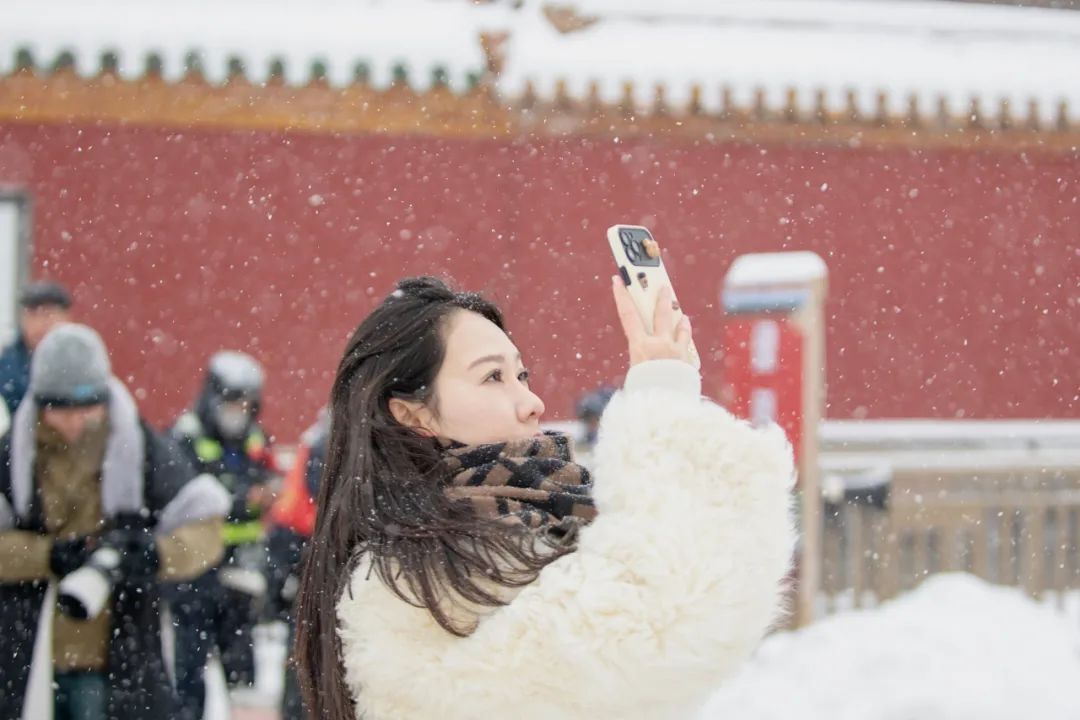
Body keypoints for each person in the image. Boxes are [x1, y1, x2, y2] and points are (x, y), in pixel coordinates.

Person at [293, 276, 796, 720]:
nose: (531, 402)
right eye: (493, 376)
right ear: (413, 414)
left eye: (522, 375)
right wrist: (664, 404)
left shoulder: (531, 523)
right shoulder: (407, 576)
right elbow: (660, 620)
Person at [0, 324, 229, 720]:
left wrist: (151, 555)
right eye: (58, 408)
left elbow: (206, 532)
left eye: (85, 406)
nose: (73, 422)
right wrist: (46, 556)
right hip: (24, 652)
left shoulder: (143, 450)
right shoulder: (14, 456)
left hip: (122, 650)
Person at [168, 350, 278, 720]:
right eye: (232, 401)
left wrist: (266, 495)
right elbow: (190, 498)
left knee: (243, 670)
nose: (239, 411)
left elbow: (267, 478)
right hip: (195, 569)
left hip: (240, 569)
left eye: (247, 404)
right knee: (190, 669)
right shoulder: (186, 437)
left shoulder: (255, 438)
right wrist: (239, 497)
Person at [266, 409, 328, 720]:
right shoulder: (338, 439)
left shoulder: (318, 438)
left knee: (303, 666)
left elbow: (286, 521)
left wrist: (277, 591)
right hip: (321, 563)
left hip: (310, 564)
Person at [0, 280, 73, 417]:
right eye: (32, 315)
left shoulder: (81, 360)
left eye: (47, 315)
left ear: (66, 317)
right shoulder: (6, 367)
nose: (39, 324)